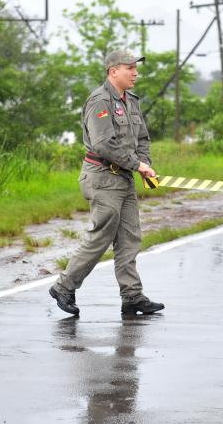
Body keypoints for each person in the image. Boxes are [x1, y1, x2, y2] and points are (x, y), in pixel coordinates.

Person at [49, 49, 164, 316]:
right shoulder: (99, 101)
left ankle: (132, 296)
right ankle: (64, 286)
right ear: (113, 71)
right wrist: (137, 165)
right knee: (101, 235)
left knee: (129, 238)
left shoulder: (131, 101)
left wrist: (143, 164)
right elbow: (103, 144)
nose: (135, 73)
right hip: (102, 177)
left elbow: (142, 138)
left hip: (123, 178)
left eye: (136, 68)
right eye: (130, 68)